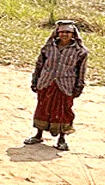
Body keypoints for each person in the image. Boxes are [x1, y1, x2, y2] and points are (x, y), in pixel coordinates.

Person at [25, 20, 88, 152]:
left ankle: (61, 139)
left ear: (73, 34)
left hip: (66, 85)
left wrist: (79, 87)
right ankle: (38, 135)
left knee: (63, 111)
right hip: (46, 83)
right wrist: (35, 81)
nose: (64, 34)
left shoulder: (80, 52)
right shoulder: (48, 48)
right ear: (57, 33)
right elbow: (39, 65)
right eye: (62, 32)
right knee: (43, 108)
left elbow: (81, 71)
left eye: (68, 32)